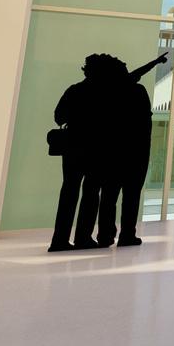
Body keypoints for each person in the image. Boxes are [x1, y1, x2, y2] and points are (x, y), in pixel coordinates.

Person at [94, 52, 169, 248]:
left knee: (108, 197)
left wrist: (155, 62)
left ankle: (105, 235)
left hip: (112, 154)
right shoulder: (137, 91)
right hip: (135, 154)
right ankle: (127, 234)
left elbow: (137, 73)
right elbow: (145, 123)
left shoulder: (106, 93)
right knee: (131, 197)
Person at [48, 53, 120, 251]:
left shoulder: (74, 90)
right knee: (91, 192)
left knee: (69, 191)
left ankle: (59, 239)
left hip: (72, 147)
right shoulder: (106, 94)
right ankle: (83, 237)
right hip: (96, 148)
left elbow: (59, 117)